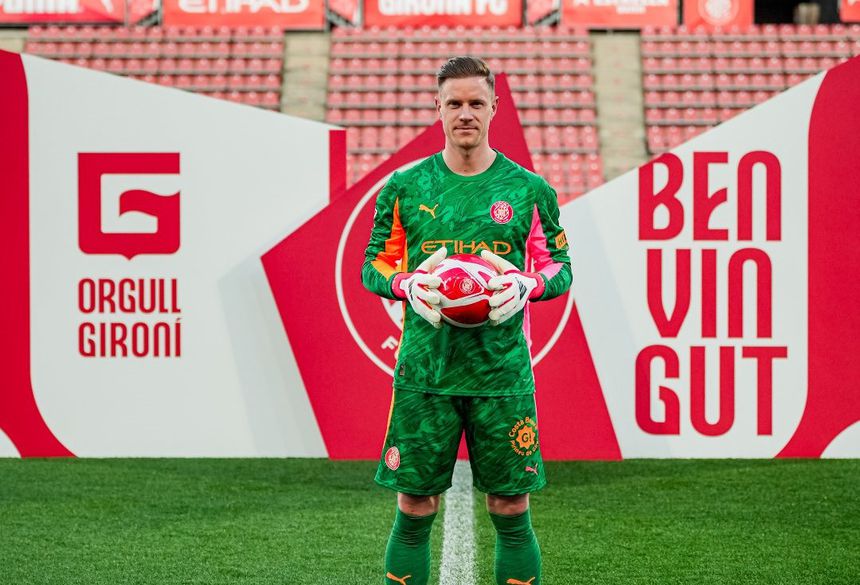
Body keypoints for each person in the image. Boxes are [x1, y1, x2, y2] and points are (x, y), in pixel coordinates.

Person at [361, 56, 572, 585]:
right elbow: (373, 267)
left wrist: (528, 284)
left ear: (494, 108)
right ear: (437, 108)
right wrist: (405, 283)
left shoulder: (529, 191)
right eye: (453, 103)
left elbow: (560, 269)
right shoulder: (403, 188)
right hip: (425, 373)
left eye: (476, 102)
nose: (465, 113)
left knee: (510, 507)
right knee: (414, 506)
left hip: (500, 376)